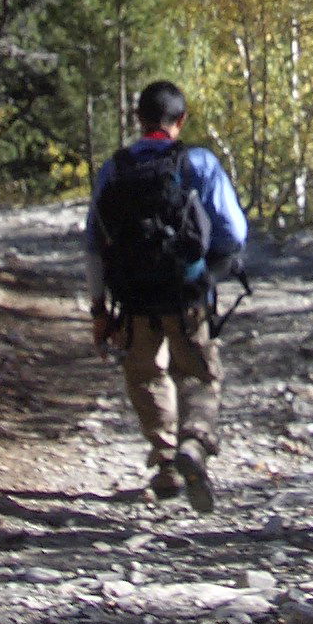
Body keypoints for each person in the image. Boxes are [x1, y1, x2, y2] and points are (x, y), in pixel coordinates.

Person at [84, 80, 248, 512]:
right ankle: (193, 443)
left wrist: (99, 309)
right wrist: (207, 270)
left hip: (133, 297)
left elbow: (95, 245)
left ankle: (165, 461)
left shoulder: (114, 169)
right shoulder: (200, 163)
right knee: (198, 373)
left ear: (138, 119)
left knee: (145, 374)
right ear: (182, 119)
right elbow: (234, 233)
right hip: (188, 293)